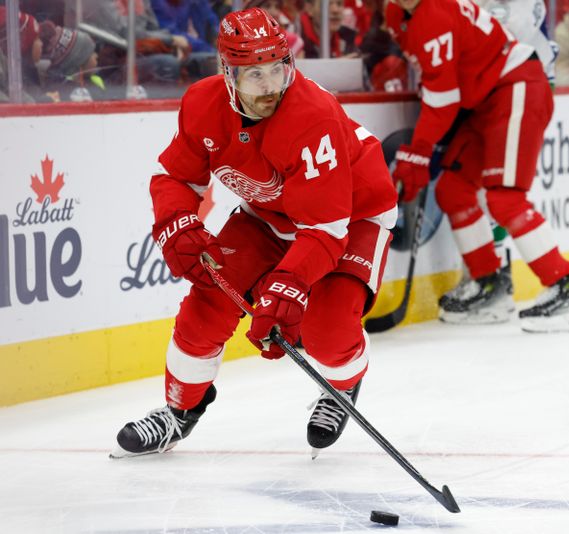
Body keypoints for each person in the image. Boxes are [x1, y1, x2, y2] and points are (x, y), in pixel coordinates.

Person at [111, 7, 397, 458]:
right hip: (269, 216)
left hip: (353, 216)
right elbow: (174, 177)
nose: (270, 88)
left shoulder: (313, 116)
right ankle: (180, 411)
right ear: (228, 74)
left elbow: (324, 229)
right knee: (207, 303)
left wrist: (288, 286)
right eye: (254, 75)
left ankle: (342, 387)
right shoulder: (203, 104)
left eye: (278, 70)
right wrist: (176, 221)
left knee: (327, 330)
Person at [385, 0, 569, 333]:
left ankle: (563, 287)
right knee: (453, 189)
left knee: (505, 199)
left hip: (515, 87)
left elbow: (442, 98)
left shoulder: (433, 14)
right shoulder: (401, 14)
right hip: (485, 101)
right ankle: (489, 287)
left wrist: (418, 152)